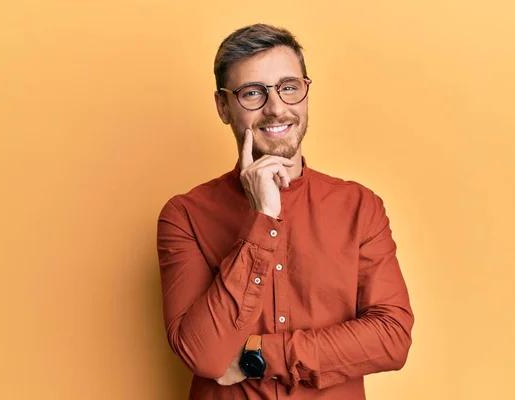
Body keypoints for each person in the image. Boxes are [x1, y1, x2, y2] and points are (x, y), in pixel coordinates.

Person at [156, 23, 414, 400]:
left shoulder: (360, 207)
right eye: (252, 93)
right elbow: (204, 355)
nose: (276, 108)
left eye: (288, 87)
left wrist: (256, 355)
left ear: (306, 93)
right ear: (223, 107)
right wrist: (262, 220)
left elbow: (392, 337)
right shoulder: (185, 216)